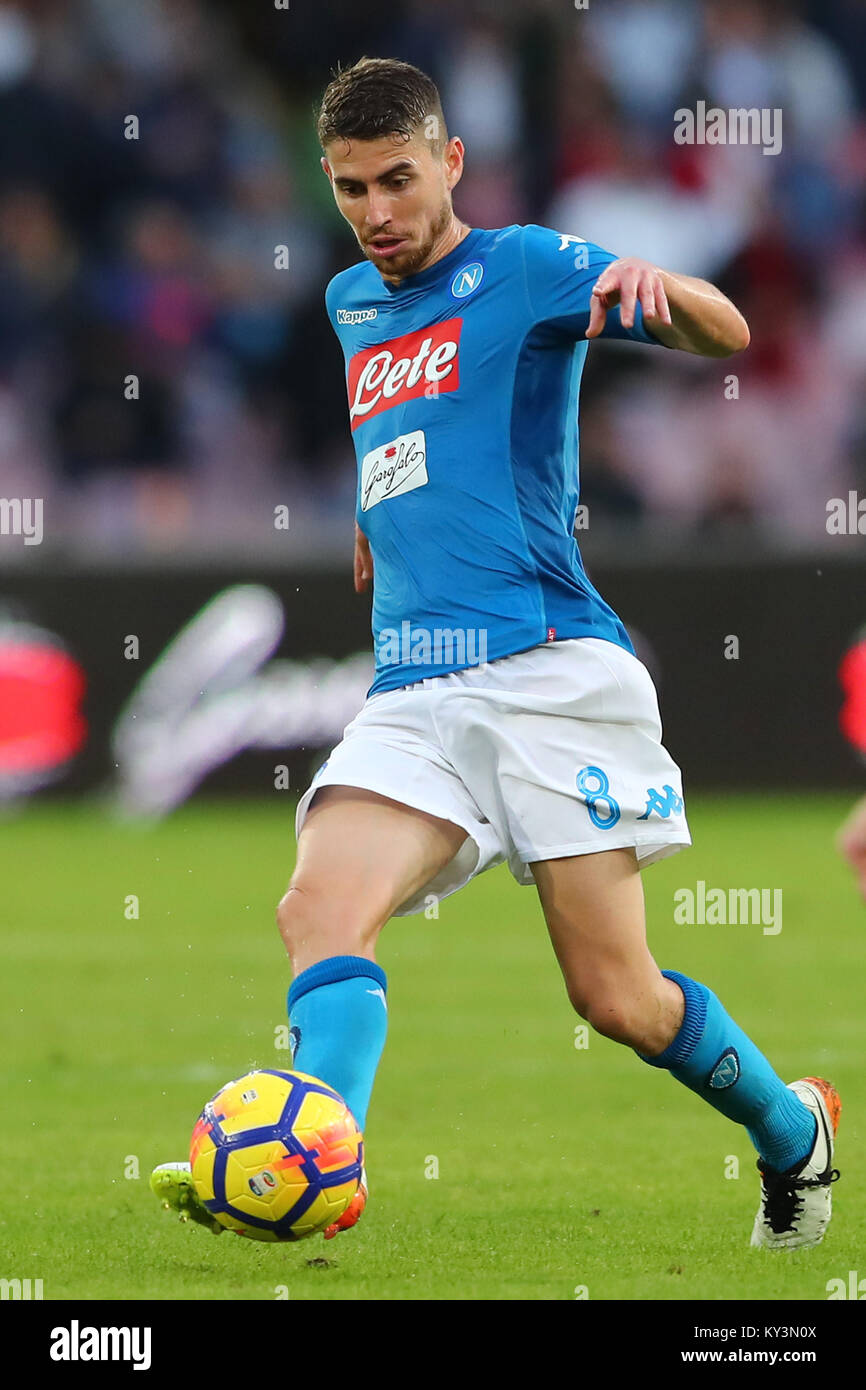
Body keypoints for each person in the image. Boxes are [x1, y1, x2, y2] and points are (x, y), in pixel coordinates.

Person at [153, 56, 840, 1250]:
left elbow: (723, 330)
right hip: (415, 685)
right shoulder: (349, 304)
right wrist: (377, 523)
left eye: (398, 181)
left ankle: (792, 1131)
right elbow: (408, 430)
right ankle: (327, 1158)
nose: (375, 213)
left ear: (451, 163)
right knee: (317, 904)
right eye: (351, 187)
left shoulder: (520, 266)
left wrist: (656, 287)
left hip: (547, 672)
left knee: (615, 998)